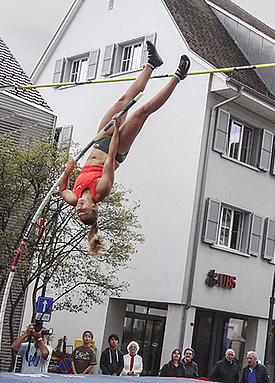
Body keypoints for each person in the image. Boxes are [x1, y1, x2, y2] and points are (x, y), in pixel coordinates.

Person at [59, 41, 191, 254]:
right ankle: (178, 77)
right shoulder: (101, 191)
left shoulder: (74, 197)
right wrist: (117, 129)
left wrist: (67, 172)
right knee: (142, 111)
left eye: (78, 211)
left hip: (98, 141)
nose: (79, 208)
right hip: (116, 149)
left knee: (123, 99)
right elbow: (110, 159)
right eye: (84, 211)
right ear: (94, 208)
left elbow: (62, 189)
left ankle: (152, 63)